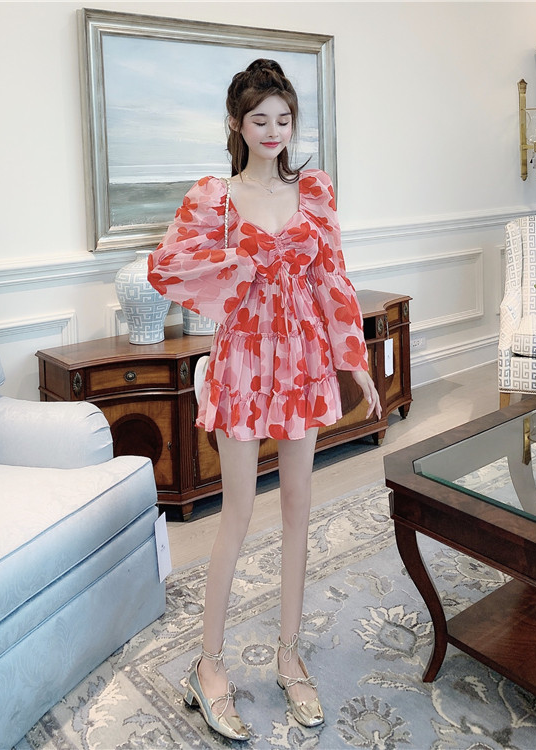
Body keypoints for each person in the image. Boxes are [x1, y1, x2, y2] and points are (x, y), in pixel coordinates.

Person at [148, 58, 381, 741]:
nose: (274, 131)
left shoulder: (315, 191)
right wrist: (238, 266)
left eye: (283, 119)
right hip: (243, 360)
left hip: (304, 359)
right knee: (239, 512)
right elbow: (165, 267)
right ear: (237, 124)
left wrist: (356, 363)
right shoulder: (214, 199)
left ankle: (288, 655)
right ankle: (208, 665)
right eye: (260, 120)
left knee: (299, 508)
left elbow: (333, 280)